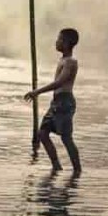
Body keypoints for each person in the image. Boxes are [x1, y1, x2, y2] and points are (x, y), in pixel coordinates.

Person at [24, 28, 81, 175]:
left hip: (65, 103)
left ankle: (77, 170)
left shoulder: (71, 62)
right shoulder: (62, 60)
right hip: (56, 103)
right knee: (42, 133)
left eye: (60, 39)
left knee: (66, 138)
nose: (57, 42)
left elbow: (60, 82)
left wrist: (37, 91)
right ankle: (56, 166)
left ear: (68, 43)